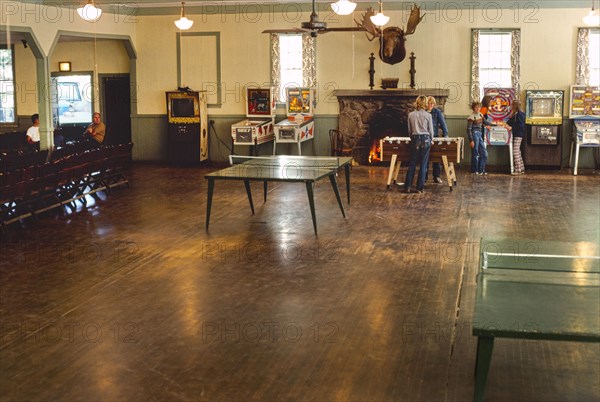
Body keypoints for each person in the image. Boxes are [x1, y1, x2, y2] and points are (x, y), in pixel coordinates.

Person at [404, 95, 434, 194]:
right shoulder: (428, 115)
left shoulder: (411, 115)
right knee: (423, 164)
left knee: (412, 163)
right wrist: (431, 139)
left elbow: (409, 131)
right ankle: (419, 188)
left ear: (416, 103)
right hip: (425, 139)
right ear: (425, 103)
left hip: (415, 139)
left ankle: (407, 187)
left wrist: (412, 138)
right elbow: (431, 132)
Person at [426, 96, 449, 184]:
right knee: (426, 159)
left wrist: (446, 135)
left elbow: (443, 124)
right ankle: (424, 177)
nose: (430, 105)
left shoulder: (437, 112)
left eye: (432, 103)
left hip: (435, 136)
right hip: (426, 137)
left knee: (437, 158)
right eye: (429, 103)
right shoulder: (423, 112)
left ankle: (437, 176)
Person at [467, 100, 491, 175]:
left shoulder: (480, 115)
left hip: (480, 135)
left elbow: (485, 122)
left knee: (484, 153)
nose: (478, 109)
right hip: (474, 135)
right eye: (476, 107)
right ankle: (475, 170)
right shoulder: (471, 117)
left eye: (479, 107)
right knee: (475, 153)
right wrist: (471, 140)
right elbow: (468, 130)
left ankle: (481, 170)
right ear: (473, 108)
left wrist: (495, 124)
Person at [507, 99, 526, 175]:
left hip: (518, 134)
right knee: (518, 151)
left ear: (515, 106)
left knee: (515, 151)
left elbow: (520, 125)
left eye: (512, 105)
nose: (511, 106)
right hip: (519, 134)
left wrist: (512, 128)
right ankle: (521, 168)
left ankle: (518, 170)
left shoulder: (519, 114)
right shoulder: (518, 113)